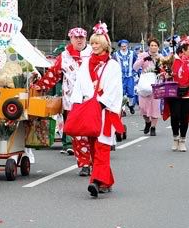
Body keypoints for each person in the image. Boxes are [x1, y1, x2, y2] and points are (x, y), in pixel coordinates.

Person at [31, 26, 93, 175]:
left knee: (92, 133)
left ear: (86, 39)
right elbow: (53, 75)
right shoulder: (64, 56)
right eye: (76, 38)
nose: (79, 40)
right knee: (77, 134)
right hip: (71, 102)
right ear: (71, 39)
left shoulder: (92, 53)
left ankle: (95, 161)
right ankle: (84, 164)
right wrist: (39, 87)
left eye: (81, 38)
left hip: (91, 101)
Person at [70, 27, 123, 198]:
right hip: (88, 108)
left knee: (102, 146)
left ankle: (96, 181)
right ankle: (106, 180)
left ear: (105, 45)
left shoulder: (113, 65)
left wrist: (101, 103)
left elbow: (114, 88)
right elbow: (78, 84)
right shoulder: (86, 63)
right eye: (92, 43)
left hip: (104, 110)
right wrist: (76, 104)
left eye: (97, 43)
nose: (94, 46)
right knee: (93, 146)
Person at [162, 36, 189, 152]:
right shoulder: (172, 59)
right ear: (182, 49)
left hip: (188, 92)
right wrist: (166, 74)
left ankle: (182, 140)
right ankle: (175, 137)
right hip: (174, 91)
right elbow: (162, 70)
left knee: (184, 117)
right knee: (175, 115)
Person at [133, 38, 162, 136]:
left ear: (158, 47)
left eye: (155, 45)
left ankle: (153, 127)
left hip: (156, 84)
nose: (153, 47)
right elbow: (135, 67)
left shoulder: (161, 57)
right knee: (143, 107)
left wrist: (160, 70)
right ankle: (147, 122)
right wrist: (143, 59)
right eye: (152, 45)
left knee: (155, 107)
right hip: (144, 84)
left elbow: (165, 70)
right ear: (149, 46)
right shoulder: (143, 55)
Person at [112, 38, 137, 114]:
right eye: (122, 46)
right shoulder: (115, 54)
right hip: (120, 77)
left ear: (127, 46)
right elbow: (113, 64)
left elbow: (136, 63)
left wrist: (136, 72)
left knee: (130, 93)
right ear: (120, 46)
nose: (123, 47)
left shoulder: (132, 53)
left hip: (130, 76)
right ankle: (122, 110)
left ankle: (130, 105)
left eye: (125, 46)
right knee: (121, 93)